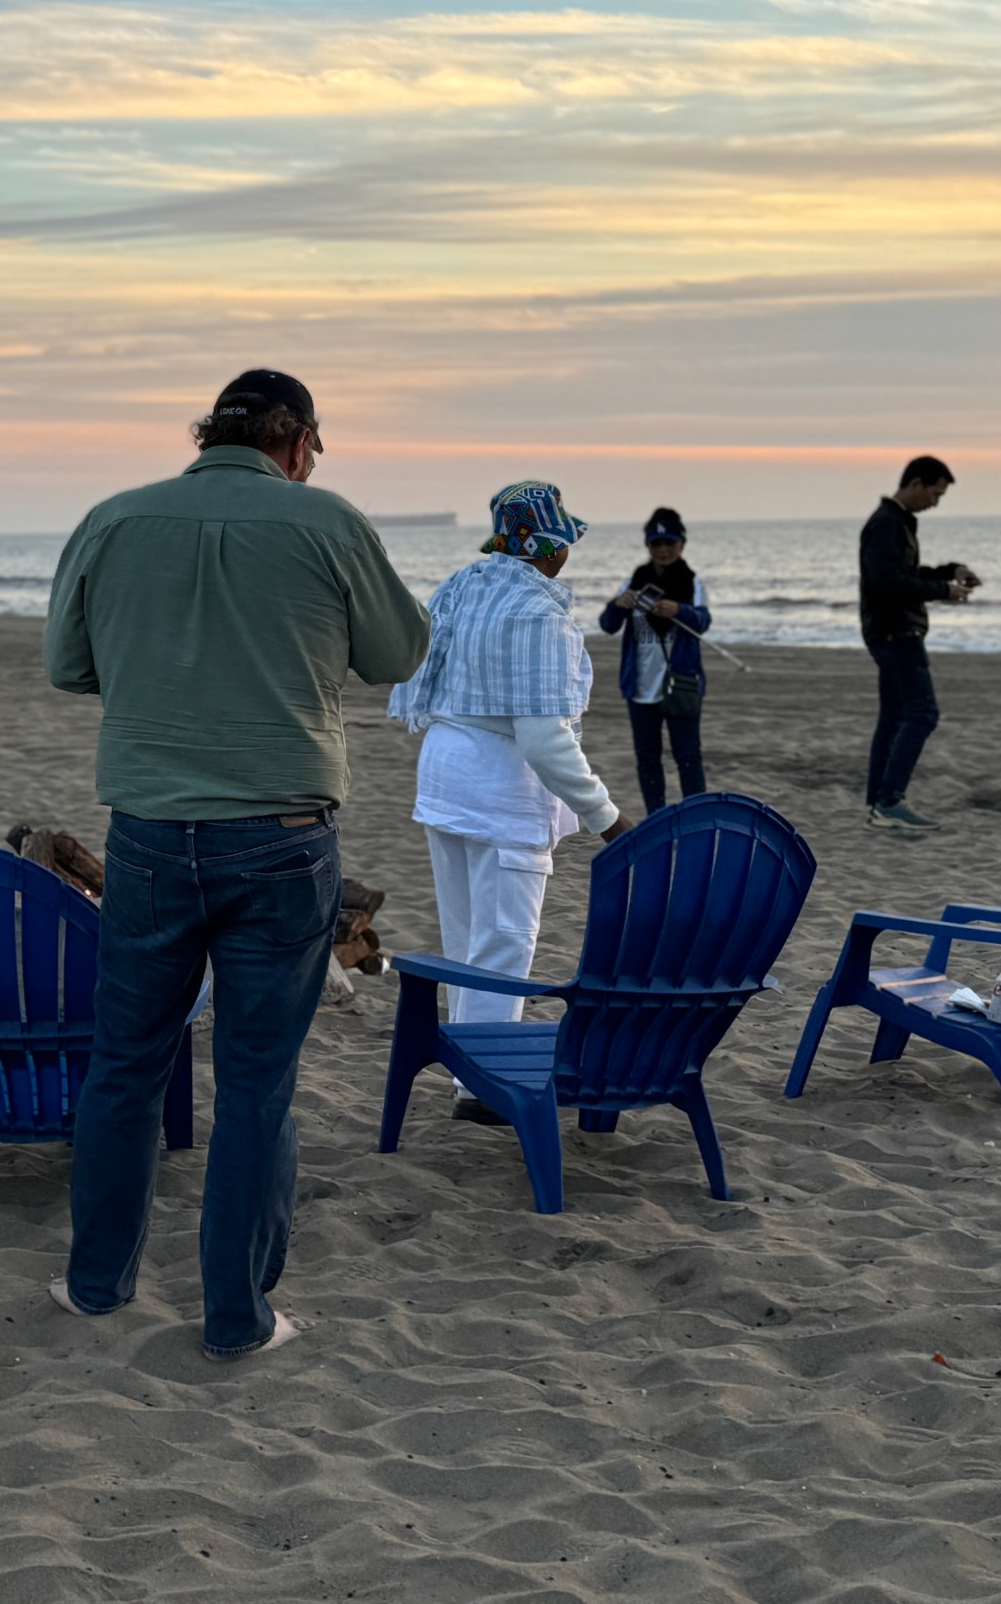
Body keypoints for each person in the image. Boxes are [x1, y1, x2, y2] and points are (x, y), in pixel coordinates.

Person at [44, 370, 430, 1361]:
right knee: (257, 1085)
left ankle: (97, 1285)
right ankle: (237, 1318)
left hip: (150, 833)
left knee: (125, 1069)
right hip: (279, 834)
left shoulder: (116, 520)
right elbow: (397, 651)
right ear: (294, 442)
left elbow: (68, 663)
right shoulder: (323, 521)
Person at [390, 481, 635, 1126]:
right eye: (563, 543)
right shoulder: (537, 611)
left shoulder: (465, 586)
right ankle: (485, 1085)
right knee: (504, 942)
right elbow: (543, 737)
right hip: (498, 787)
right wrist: (609, 818)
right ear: (547, 545)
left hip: (446, 776)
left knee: (468, 937)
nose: (567, 556)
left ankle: (470, 1073)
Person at [860, 455, 977, 832]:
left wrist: (949, 571)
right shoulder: (886, 524)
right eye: (935, 494)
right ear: (915, 484)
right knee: (923, 714)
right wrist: (943, 591)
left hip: (892, 631)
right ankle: (890, 801)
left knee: (894, 718)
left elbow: (903, 573)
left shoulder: (897, 523)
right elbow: (886, 582)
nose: (935, 503)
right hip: (896, 632)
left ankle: (878, 802)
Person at [599, 507, 711, 814]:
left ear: (681, 544)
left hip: (682, 684)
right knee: (647, 757)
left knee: (687, 755)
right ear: (648, 546)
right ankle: (657, 816)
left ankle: (694, 815)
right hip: (640, 687)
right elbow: (607, 625)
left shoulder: (693, 583)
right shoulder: (633, 582)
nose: (663, 549)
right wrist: (618, 606)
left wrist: (679, 610)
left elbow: (703, 621)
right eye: (656, 543)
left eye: (669, 543)